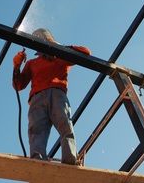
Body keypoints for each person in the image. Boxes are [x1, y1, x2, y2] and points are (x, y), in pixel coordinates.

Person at [12, 28, 91, 165]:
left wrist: (58, 47)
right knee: (36, 130)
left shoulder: (60, 56)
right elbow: (18, 85)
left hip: (57, 95)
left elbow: (85, 52)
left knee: (65, 126)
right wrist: (17, 66)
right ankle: (38, 162)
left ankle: (70, 161)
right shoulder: (32, 63)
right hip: (37, 99)